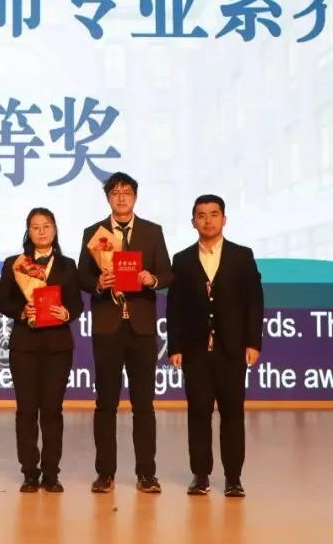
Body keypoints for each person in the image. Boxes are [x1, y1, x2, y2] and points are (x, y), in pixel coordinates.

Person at [77, 172, 173, 494]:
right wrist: (97, 283)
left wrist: (151, 279)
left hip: (141, 328)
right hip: (108, 327)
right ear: (108, 198)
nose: (121, 198)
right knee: (105, 403)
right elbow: (81, 276)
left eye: (127, 192)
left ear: (135, 197)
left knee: (144, 404)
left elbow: (167, 273)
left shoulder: (152, 231)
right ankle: (105, 473)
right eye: (115, 193)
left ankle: (147, 474)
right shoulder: (94, 233)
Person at [167, 194, 263, 498]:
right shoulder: (182, 260)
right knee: (198, 414)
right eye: (201, 215)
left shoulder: (242, 256)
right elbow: (175, 307)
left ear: (224, 219)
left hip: (231, 350)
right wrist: (175, 346)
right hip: (194, 352)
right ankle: (200, 475)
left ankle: (233, 478)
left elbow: (254, 302)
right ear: (193, 222)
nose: (208, 220)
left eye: (214, 214)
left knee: (232, 413)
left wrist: (253, 342)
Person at [0, 208, 84, 493]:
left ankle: (51, 473)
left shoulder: (68, 265)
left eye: (46, 226)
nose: (42, 232)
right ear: (28, 232)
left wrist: (66, 312)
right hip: (25, 345)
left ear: (55, 230)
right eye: (35, 227)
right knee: (26, 410)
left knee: (52, 410)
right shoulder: (15, 264)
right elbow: (2, 302)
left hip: (58, 346)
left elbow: (77, 304)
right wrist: (22, 311)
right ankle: (29, 472)